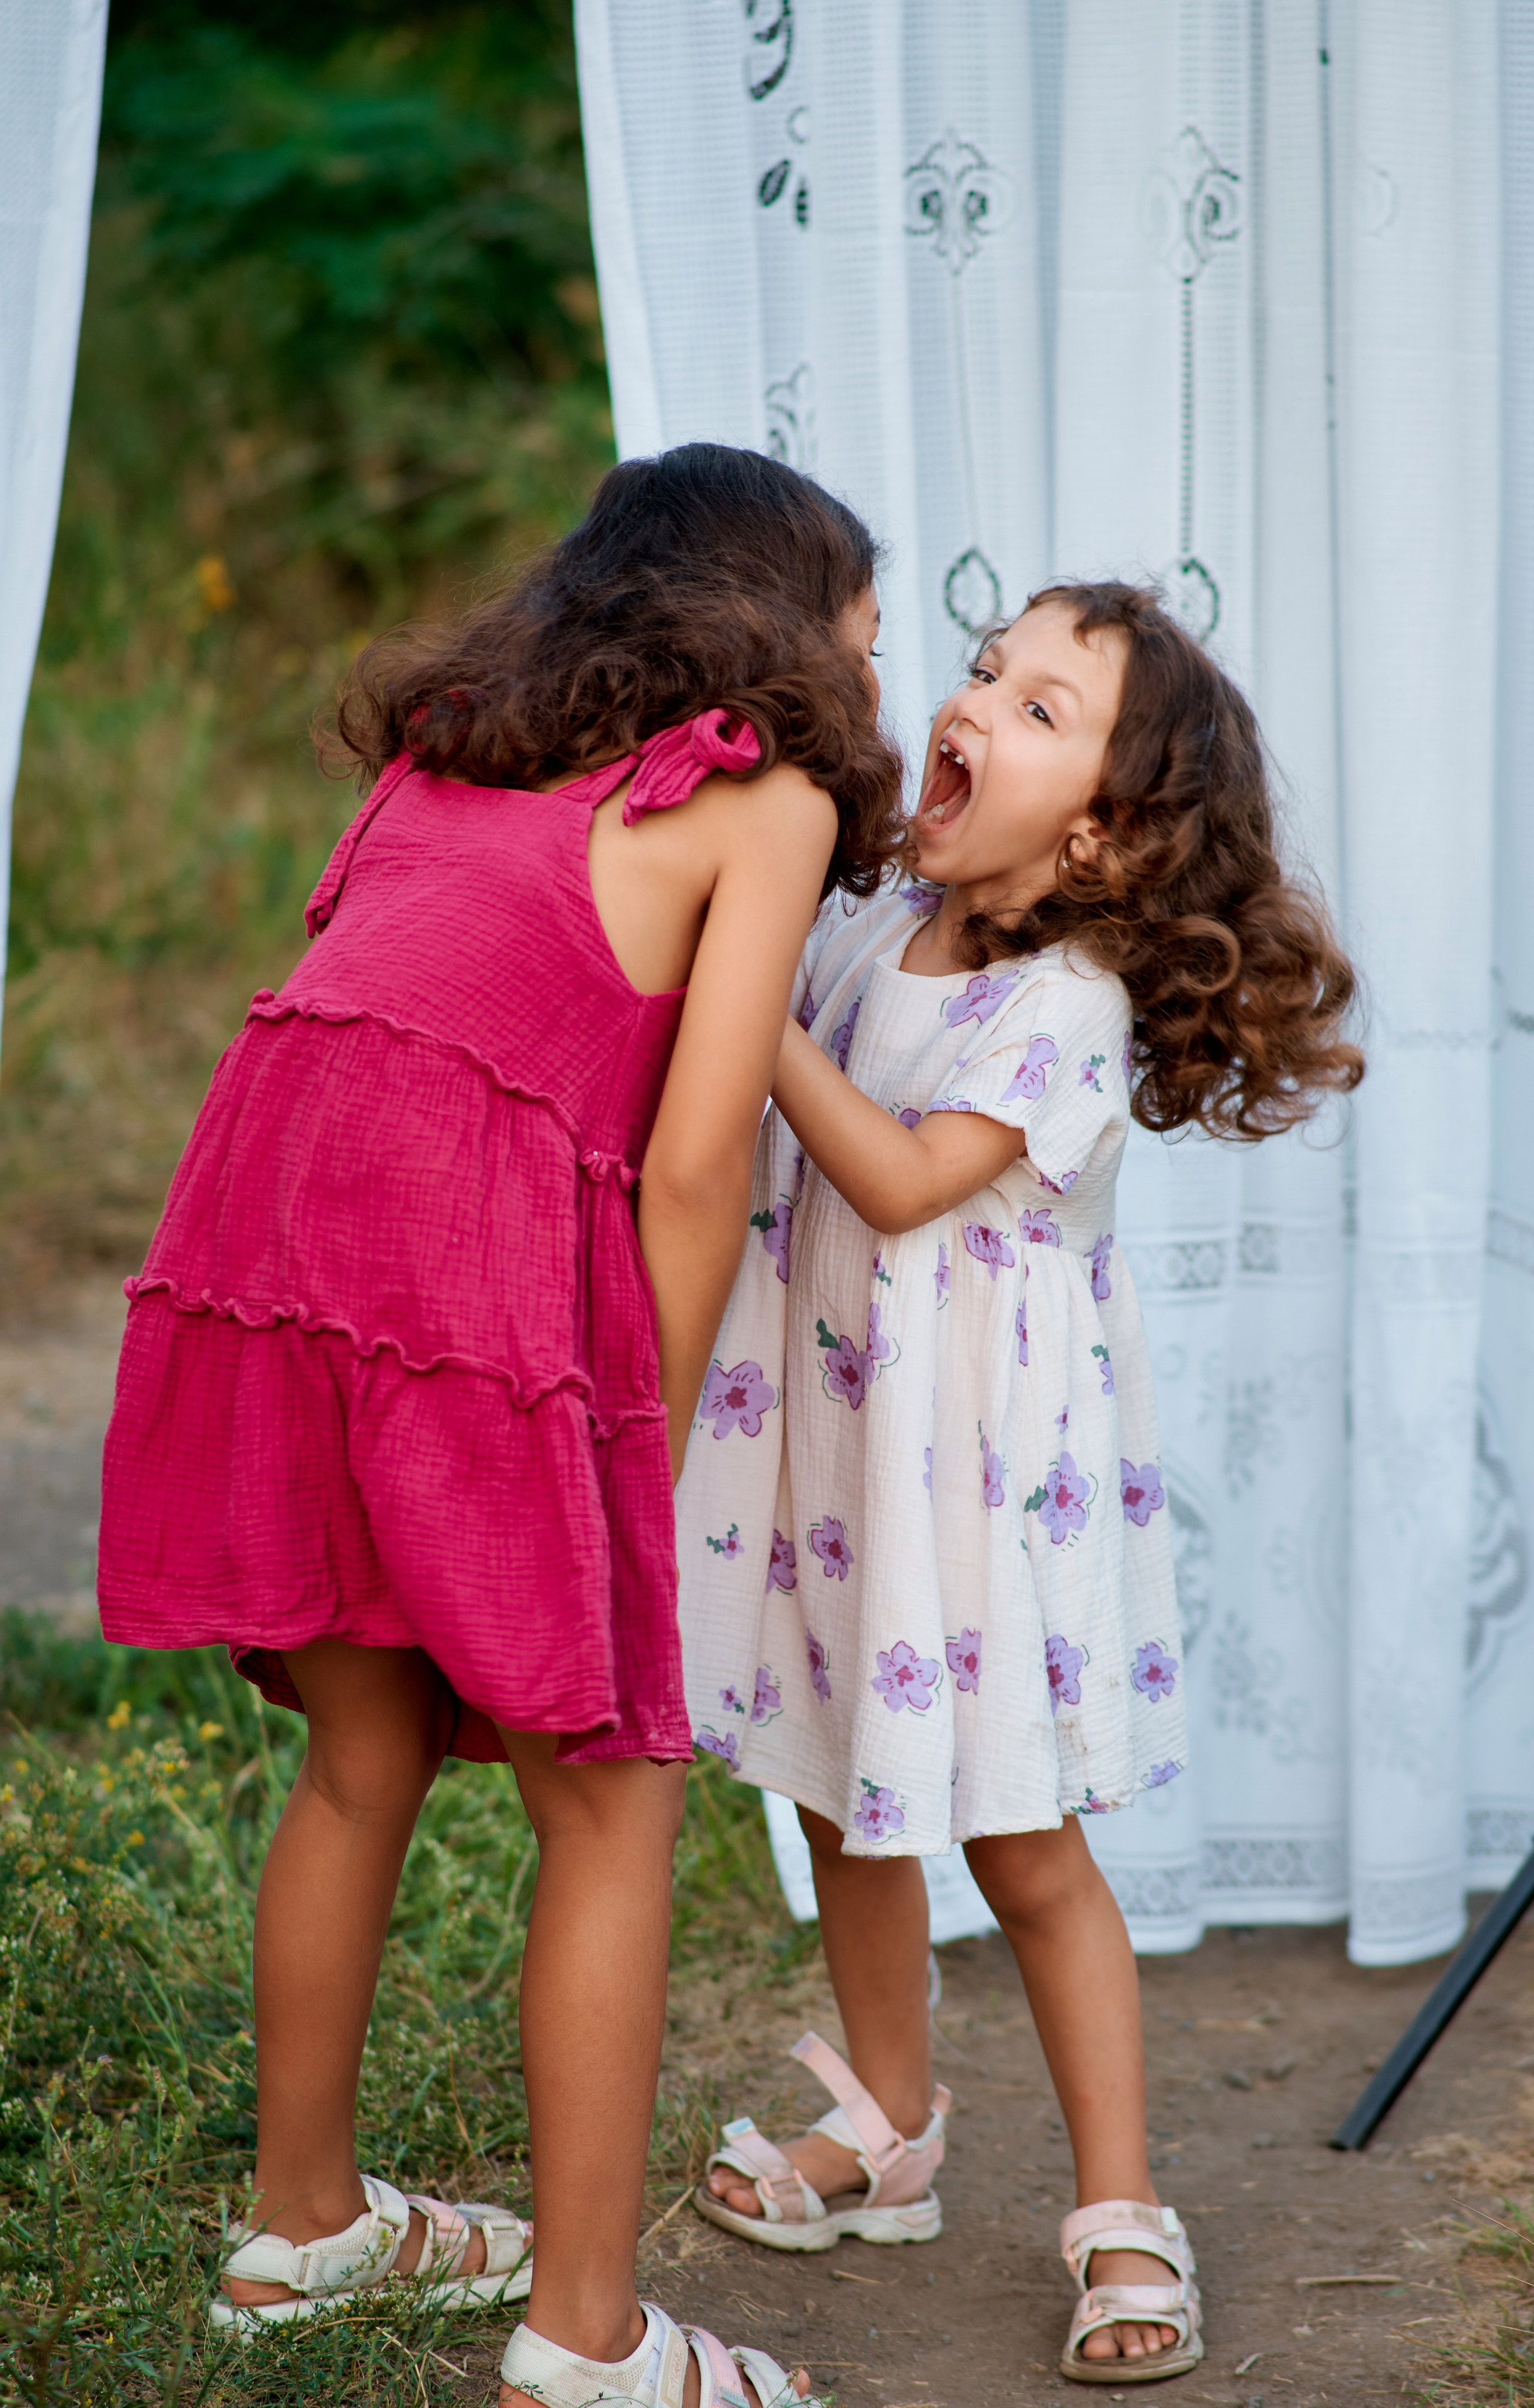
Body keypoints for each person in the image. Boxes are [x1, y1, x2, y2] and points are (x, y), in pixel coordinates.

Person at [97, 443, 906, 2408]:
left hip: (265, 1222)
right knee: (612, 1797)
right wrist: (642, 1418)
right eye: (868, 636)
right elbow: (698, 1161)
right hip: (451, 1256)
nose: (876, 679)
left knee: (359, 1752)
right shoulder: (768, 796)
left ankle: (302, 2227)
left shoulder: (451, 743)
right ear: (786, 628)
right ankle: (589, 2341)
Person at [675, 581, 1363, 2385]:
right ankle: (890, 2119)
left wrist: (751, 1008)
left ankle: (1122, 2204)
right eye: (987, 668)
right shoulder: (868, 925)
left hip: (977, 1481)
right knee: (839, 1792)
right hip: (841, 1447)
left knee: (1023, 1843)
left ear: (1108, 836)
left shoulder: (1066, 1001)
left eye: (1042, 706)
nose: (977, 701)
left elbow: (905, 1181)